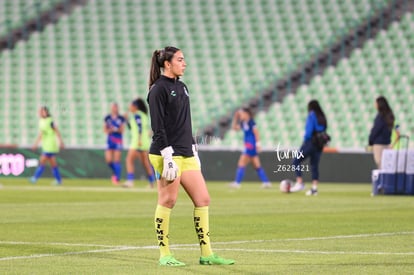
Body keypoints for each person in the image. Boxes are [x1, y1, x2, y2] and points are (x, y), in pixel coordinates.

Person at [147, 46, 234, 266]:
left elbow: (185, 123)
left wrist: (193, 147)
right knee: (168, 200)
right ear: (167, 64)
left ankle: (207, 254)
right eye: (180, 59)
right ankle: (165, 254)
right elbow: (158, 127)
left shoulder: (182, 87)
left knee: (203, 199)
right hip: (167, 152)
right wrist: (167, 155)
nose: (184, 63)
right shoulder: (158, 89)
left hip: (186, 152)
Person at [290, 100, 328, 196]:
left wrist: (306, 140)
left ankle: (299, 182)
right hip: (320, 144)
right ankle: (314, 189)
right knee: (314, 166)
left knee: (296, 160)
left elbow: (309, 130)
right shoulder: (322, 117)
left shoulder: (312, 114)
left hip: (310, 142)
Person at [229, 107, 271, 188]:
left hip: (250, 145)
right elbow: (234, 128)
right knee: (257, 165)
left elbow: (256, 133)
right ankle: (266, 182)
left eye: (241, 114)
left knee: (241, 163)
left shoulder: (251, 122)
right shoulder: (243, 122)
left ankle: (237, 183)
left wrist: (258, 144)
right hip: (249, 145)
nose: (240, 115)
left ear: (246, 114)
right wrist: (235, 118)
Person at [123, 98, 156, 188]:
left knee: (129, 160)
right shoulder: (142, 115)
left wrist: (139, 140)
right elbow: (132, 127)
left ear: (135, 107)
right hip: (144, 142)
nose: (129, 107)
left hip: (138, 141)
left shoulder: (137, 115)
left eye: (131, 105)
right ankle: (151, 182)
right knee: (145, 163)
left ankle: (130, 181)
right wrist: (126, 120)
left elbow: (140, 127)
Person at [30, 106, 64, 185]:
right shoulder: (41, 121)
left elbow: (57, 131)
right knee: (53, 163)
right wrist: (36, 143)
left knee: (42, 160)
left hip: (50, 144)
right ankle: (59, 180)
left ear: (45, 112)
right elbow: (41, 134)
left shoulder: (50, 121)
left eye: (42, 112)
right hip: (45, 145)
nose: (40, 113)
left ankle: (35, 178)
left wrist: (61, 142)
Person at [368, 96, 395, 168]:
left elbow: (376, 130)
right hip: (387, 143)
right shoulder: (390, 115)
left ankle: (382, 179)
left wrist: (370, 140)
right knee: (387, 165)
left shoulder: (380, 116)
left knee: (380, 165)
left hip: (379, 145)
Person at [104, 103, 125, 185]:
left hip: (118, 140)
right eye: (113, 107)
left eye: (115, 107)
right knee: (108, 160)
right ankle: (115, 172)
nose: (114, 109)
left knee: (117, 160)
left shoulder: (121, 118)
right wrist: (110, 130)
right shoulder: (107, 118)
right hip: (110, 140)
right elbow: (105, 129)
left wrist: (114, 129)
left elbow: (122, 130)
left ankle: (117, 178)